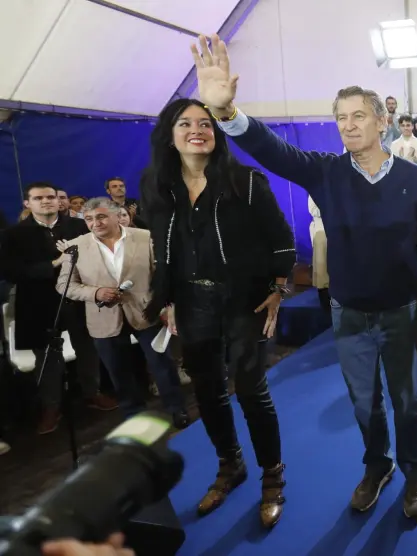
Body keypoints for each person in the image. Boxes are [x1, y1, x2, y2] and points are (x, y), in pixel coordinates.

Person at [189, 34, 417, 518]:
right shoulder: (325, 172)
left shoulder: (415, 178)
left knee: (407, 403)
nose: (348, 125)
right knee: (364, 403)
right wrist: (226, 111)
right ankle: (377, 466)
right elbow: (273, 151)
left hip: (402, 310)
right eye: (341, 118)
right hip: (349, 315)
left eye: (358, 116)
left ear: (382, 122)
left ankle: (416, 475)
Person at [141, 97, 294, 528]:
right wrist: (168, 298)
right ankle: (230, 465)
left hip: (245, 300)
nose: (197, 130)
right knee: (207, 391)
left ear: (217, 132)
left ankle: (272, 476)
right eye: (185, 123)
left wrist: (279, 289)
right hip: (192, 303)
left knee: (250, 389)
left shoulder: (245, 181)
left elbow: (282, 239)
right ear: (169, 135)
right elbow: (163, 249)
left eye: (205, 123)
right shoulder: (155, 184)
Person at [56, 198, 189, 429]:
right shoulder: (75, 246)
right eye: (89, 219)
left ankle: (177, 408)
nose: (95, 223)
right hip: (103, 317)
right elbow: (64, 285)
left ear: (118, 216)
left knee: (162, 365)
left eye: (101, 216)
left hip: (146, 312)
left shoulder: (145, 237)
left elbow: (163, 276)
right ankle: (134, 415)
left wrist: (168, 306)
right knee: (119, 371)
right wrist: (95, 293)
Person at [0, 183, 118, 435]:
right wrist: (56, 262)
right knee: (47, 357)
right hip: (39, 305)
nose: (46, 201)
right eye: (38, 198)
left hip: (79, 300)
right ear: (27, 203)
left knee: (87, 348)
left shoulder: (78, 226)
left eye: (50, 196)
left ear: (58, 200)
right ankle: (51, 406)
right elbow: (11, 272)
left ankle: (92, 392)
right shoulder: (13, 234)